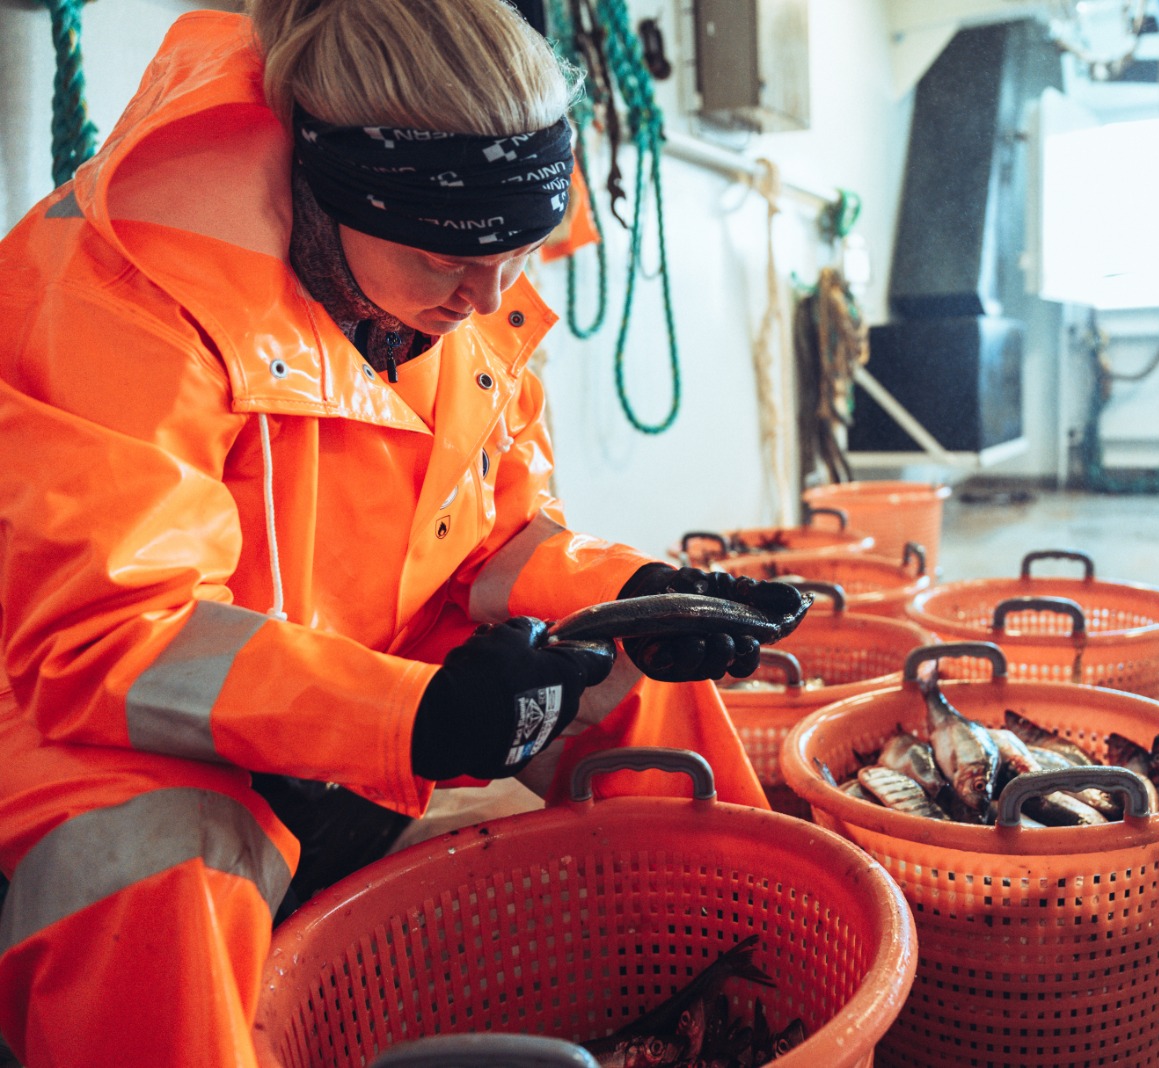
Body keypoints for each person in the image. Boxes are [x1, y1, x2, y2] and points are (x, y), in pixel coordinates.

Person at [0, 1, 806, 1065]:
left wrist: (640, 589)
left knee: (637, 673)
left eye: (517, 252)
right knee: (156, 858)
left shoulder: (452, 294)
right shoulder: (112, 293)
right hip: (99, 721)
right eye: (444, 260)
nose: (484, 297)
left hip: (367, 686)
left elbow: (492, 535)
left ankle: (750, 990)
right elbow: (107, 639)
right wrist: (410, 717)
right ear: (314, 194)